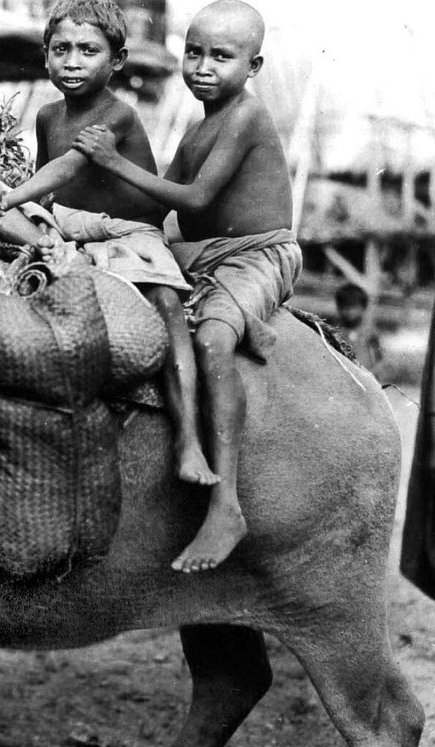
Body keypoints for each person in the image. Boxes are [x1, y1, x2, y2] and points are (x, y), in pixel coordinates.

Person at [73, 0, 301, 573]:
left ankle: (226, 506)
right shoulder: (198, 128)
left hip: (257, 253)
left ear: (252, 66)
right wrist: (88, 204)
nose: (202, 67)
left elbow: (195, 199)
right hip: (202, 254)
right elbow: (156, 204)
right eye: (193, 53)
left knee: (212, 340)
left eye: (221, 57)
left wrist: (113, 162)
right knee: (140, 292)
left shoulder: (247, 117)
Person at [0, 0, 216, 492]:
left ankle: (188, 438)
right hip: (67, 229)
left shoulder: (117, 114)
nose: (72, 62)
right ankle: (46, 249)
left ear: (117, 60)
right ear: (45, 55)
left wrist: (11, 199)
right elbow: (48, 182)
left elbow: (69, 166)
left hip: (127, 233)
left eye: (88, 50)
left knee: (167, 305)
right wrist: (14, 206)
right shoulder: (47, 115)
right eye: (60, 49)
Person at [334, 282, 383, 370]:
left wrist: (374, 373)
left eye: (354, 307)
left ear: (363, 308)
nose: (350, 312)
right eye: (346, 307)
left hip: (365, 374)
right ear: (339, 308)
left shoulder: (369, 332)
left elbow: (378, 358)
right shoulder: (335, 332)